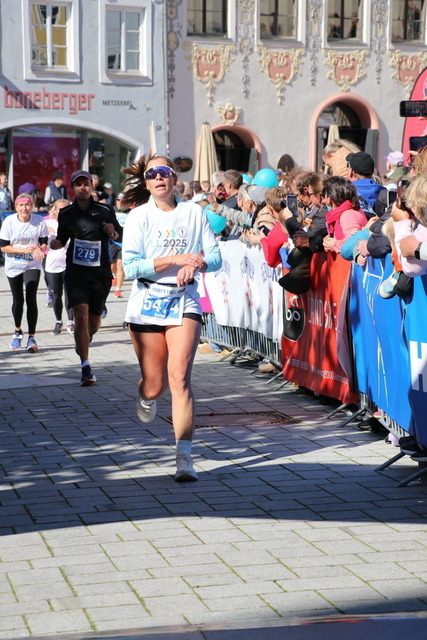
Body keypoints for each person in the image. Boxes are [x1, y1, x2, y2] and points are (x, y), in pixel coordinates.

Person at [121, 154, 222, 482]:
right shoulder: (138, 216)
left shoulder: (194, 212)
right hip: (147, 301)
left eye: (164, 172)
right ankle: (145, 394)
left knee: (179, 378)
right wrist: (174, 259)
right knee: (156, 385)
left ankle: (184, 457)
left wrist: (199, 264)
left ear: (175, 178)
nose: (158, 178)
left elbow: (216, 256)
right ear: (146, 182)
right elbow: (131, 267)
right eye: (152, 174)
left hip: (184, 301)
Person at [50, 170, 123, 385]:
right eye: (79, 184)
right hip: (76, 272)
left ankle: (85, 338)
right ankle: (86, 367)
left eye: (86, 184)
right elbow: (62, 238)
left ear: (92, 186)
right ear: (73, 188)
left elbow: (120, 235)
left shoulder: (105, 210)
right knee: (80, 317)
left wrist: (112, 232)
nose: (83, 188)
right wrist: (56, 243)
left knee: (94, 321)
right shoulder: (66, 213)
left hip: (100, 272)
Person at [0, 193, 48, 352]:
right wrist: (23, 250)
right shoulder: (9, 222)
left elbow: (44, 244)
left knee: (31, 298)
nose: (24, 208)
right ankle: (17, 330)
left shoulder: (39, 221)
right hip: (14, 265)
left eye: (27, 205)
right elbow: (3, 247)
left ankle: (32, 337)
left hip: (32, 264)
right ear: (16, 207)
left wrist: (39, 249)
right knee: (18, 299)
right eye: (21, 205)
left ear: (32, 206)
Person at [44, 198, 75, 335]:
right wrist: (45, 231)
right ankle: (58, 321)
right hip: (53, 265)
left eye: (65, 209)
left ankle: (71, 321)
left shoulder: (74, 223)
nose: (62, 211)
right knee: (56, 295)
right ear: (55, 210)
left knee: (70, 293)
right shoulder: (47, 223)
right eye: (60, 209)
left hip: (69, 264)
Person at [323, 176, 367, 254]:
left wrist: (334, 244)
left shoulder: (348, 215)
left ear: (330, 199)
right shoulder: (349, 211)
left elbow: (352, 242)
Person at [110, 192, 129, 298]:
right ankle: (115, 276)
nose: (120, 202)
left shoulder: (131, 213)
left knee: (120, 265)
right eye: (118, 200)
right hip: (113, 242)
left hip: (125, 243)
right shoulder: (112, 211)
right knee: (112, 266)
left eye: (122, 200)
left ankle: (118, 289)